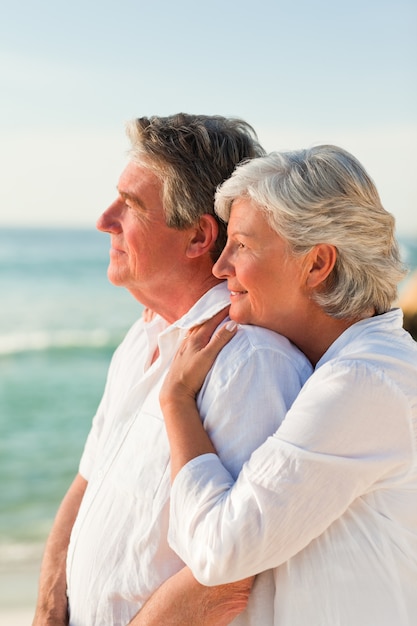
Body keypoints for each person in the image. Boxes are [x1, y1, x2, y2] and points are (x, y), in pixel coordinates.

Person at [32, 114, 313, 626]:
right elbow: (86, 481)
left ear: (197, 238)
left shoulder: (249, 363)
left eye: (131, 206)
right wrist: (49, 609)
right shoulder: (141, 339)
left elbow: (230, 577)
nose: (104, 219)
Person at [158, 145, 417, 625]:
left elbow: (220, 551)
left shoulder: (363, 381)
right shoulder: (364, 365)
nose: (221, 267)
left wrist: (175, 401)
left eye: (242, 245)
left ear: (317, 264)